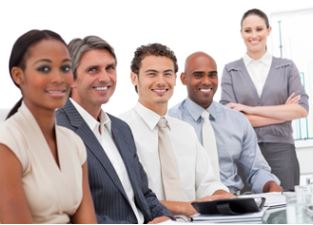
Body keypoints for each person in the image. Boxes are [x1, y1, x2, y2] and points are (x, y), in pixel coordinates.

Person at [56, 36, 173, 223]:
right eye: (93, 70)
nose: (105, 77)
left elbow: (144, 194)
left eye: (110, 68)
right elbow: (68, 212)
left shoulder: (121, 128)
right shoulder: (58, 130)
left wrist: (164, 218)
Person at [0, 30, 96, 223]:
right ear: (18, 75)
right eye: (44, 69)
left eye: (65, 68)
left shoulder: (74, 144)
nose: (58, 78)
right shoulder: (4, 144)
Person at [120, 43, 232, 218]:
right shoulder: (120, 130)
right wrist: (185, 208)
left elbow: (207, 183)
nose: (161, 81)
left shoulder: (185, 131)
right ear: (134, 78)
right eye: (152, 74)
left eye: (167, 74)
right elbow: (128, 197)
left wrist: (221, 196)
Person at [220, 8, 309, 191]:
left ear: (268, 30)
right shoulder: (231, 70)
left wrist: (250, 110)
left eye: (259, 29)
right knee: (249, 209)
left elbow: (301, 110)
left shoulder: (287, 67)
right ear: (241, 33)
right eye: (248, 30)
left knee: (286, 207)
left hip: (282, 150)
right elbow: (229, 118)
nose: (254, 35)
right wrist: (283, 113)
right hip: (245, 151)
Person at [169, 51, 283, 194]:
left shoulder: (238, 121)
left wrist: (270, 185)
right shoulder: (169, 122)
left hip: (233, 203)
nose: (206, 81)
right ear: (184, 79)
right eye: (198, 75)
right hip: (192, 206)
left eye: (212, 75)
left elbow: (256, 170)